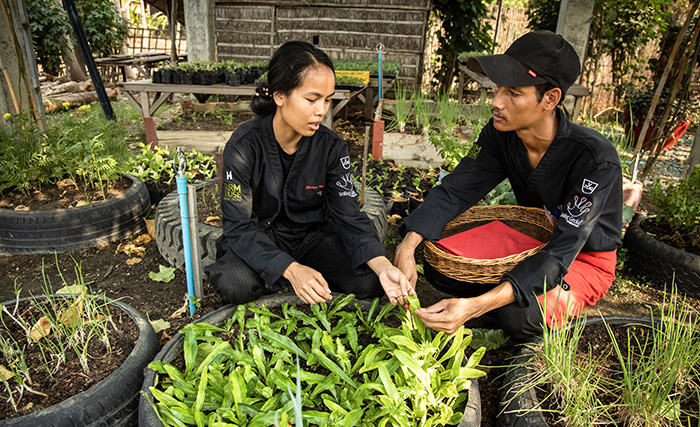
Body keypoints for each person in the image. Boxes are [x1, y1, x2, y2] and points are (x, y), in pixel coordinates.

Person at [394, 30, 623, 340]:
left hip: (583, 257)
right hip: (532, 242)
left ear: (550, 99)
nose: (496, 102)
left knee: (519, 316)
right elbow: (457, 187)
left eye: (513, 93)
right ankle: (505, 293)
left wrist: (474, 306)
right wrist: (407, 246)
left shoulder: (595, 159)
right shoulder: (501, 134)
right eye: (498, 88)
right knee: (440, 269)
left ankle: (512, 302)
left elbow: (562, 251)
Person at [205, 41, 411, 306]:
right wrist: (291, 268)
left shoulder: (332, 147)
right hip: (261, 236)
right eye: (312, 99)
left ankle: (303, 277)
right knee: (236, 285)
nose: (322, 110)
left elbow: (348, 214)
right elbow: (238, 225)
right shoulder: (245, 144)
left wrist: (383, 266)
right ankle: (290, 277)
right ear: (280, 96)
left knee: (369, 281)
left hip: (312, 237)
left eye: (327, 100)